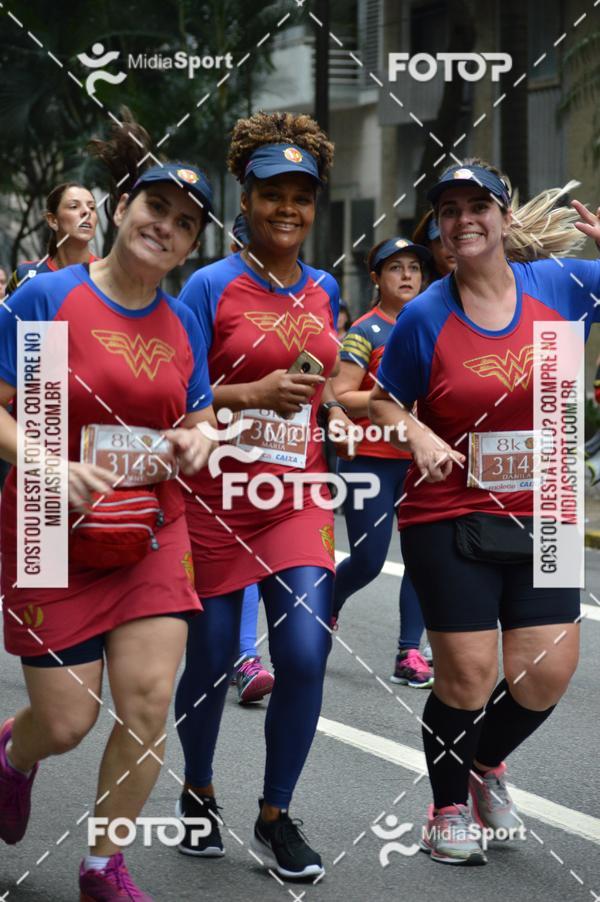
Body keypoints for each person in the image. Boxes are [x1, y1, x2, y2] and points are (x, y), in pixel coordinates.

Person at [0, 115, 215, 900]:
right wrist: (47, 462)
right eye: (156, 208)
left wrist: (199, 441)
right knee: (65, 721)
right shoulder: (50, 299)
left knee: (150, 697)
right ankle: (13, 757)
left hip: (153, 526)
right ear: (122, 207)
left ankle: (103, 865)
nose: (166, 226)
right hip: (47, 527)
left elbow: (194, 417)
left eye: (185, 223)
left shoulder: (181, 319)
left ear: (191, 246)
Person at [370, 158, 598, 865]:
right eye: (449, 210)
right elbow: (382, 398)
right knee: (467, 675)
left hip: (550, 501)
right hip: (449, 508)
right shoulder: (425, 317)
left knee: (548, 671)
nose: (464, 218)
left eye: (478, 206)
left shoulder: (562, 287)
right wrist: (418, 431)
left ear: (503, 217)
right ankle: (444, 809)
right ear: (440, 229)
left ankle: (485, 766)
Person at [175, 111, 352, 880]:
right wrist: (249, 394)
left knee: (305, 652)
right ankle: (199, 790)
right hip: (215, 496)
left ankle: (276, 815)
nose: (289, 208)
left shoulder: (325, 288)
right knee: (213, 658)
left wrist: (346, 403)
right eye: (272, 192)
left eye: (302, 196)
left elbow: (329, 382)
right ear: (244, 200)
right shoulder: (207, 286)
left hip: (297, 495)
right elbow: (173, 400)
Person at [332, 238, 433, 688]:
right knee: (369, 560)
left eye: (414, 267)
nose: (407, 275)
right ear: (377, 278)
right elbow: (339, 395)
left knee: (422, 559)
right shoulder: (365, 331)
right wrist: (390, 402)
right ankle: (321, 608)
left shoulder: (434, 321)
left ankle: (409, 651)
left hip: (419, 463)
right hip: (370, 462)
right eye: (395, 268)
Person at [6, 182, 99, 296]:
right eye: (74, 206)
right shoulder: (26, 275)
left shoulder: (110, 274)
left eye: (92, 207)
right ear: (53, 220)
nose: (87, 212)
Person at [412, 209, 456, 280]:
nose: (451, 246)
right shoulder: (416, 287)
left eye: (457, 238)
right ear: (429, 247)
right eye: (442, 240)